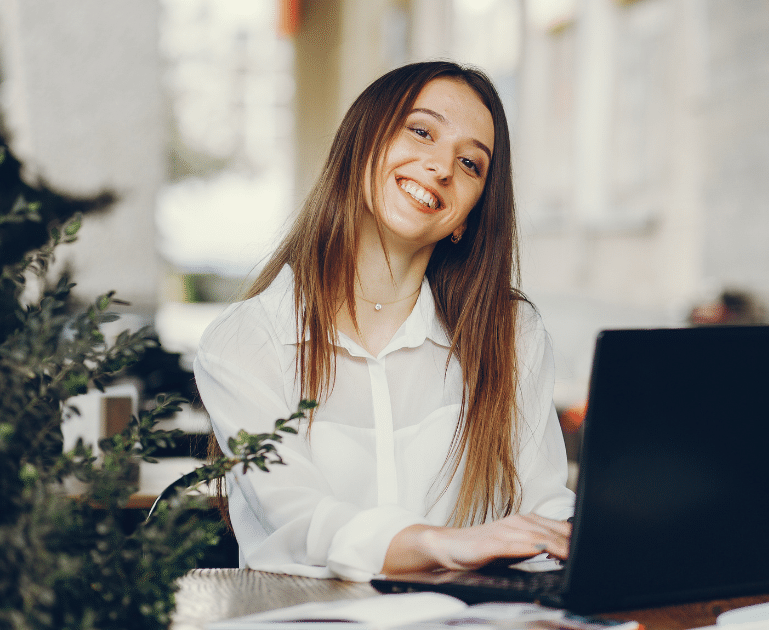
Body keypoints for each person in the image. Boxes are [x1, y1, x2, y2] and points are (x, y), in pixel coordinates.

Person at [193, 61, 575, 582]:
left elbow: (546, 515)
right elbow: (296, 521)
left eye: (470, 164)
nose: (442, 166)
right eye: (421, 131)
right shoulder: (243, 342)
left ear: (467, 218)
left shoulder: (512, 335)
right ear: (361, 145)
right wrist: (440, 545)